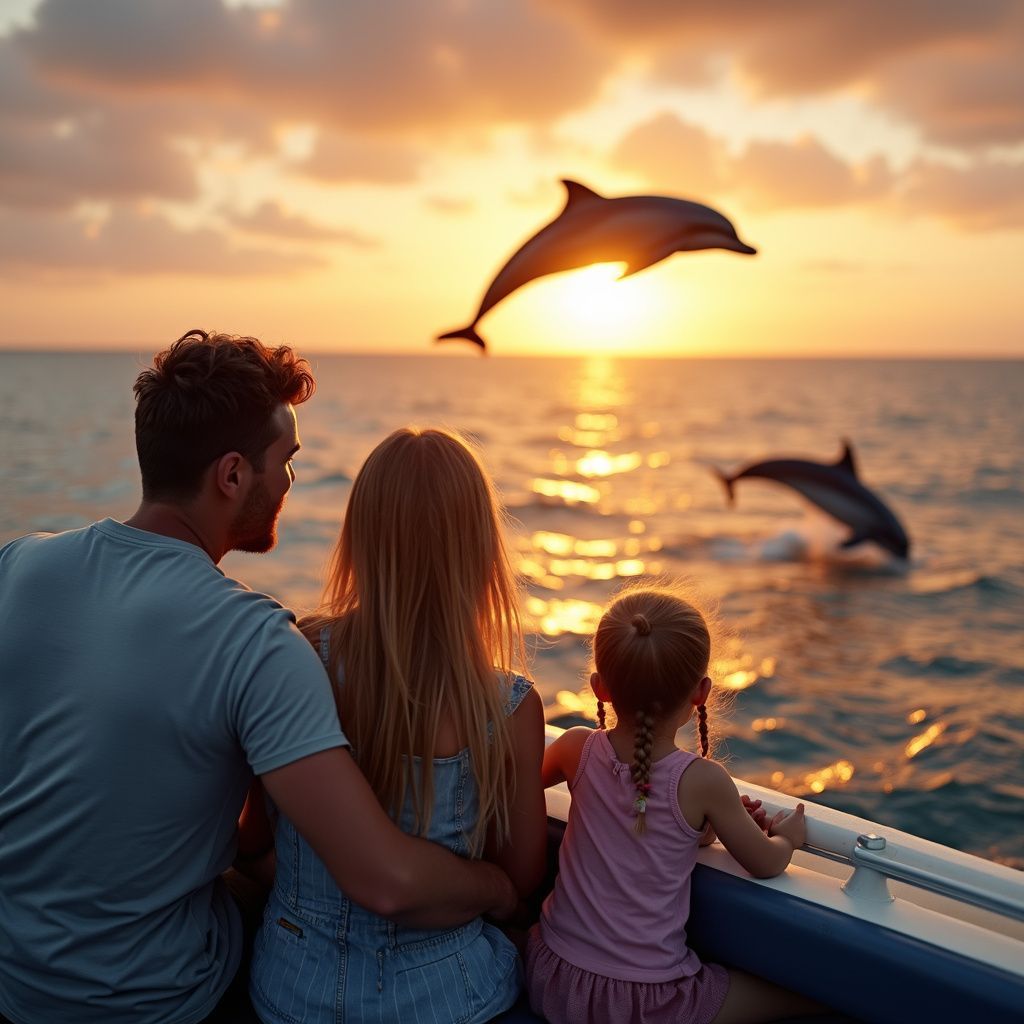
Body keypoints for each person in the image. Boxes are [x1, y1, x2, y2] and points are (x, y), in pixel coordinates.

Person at [0, 332, 516, 1024]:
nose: (290, 485)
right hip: (153, 1002)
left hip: (16, 978)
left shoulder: (20, 566)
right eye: (288, 463)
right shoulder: (253, 639)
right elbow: (385, 882)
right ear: (233, 475)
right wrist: (494, 886)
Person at [249, 427, 548, 1024]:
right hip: (448, 996)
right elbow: (520, 882)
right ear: (483, 551)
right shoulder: (508, 707)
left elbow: (253, 842)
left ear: (358, 539)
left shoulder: (295, 658)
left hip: (291, 989)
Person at [526, 586, 818, 1024]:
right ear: (700, 692)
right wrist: (787, 839)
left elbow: (518, 787)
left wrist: (703, 830)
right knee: (805, 997)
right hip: (645, 1005)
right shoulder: (704, 781)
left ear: (599, 688)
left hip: (552, 977)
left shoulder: (574, 749)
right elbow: (765, 864)